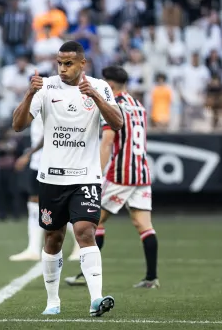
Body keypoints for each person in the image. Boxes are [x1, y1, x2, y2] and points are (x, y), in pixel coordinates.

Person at [12, 41, 123, 316]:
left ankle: (96, 300)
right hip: (51, 179)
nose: (62, 68)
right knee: (53, 239)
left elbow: (118, 123)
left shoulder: (100, 86)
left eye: (69, 63)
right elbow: (17, 125)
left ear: (82, 63)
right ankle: (53, 301)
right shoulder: (46, 87)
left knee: (85, 232)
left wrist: (95, 96)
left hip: (85, 177)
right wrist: (29, 93)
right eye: (59, 63)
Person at [65, 66, 159, 289]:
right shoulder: (138, 106)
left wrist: (95, 174)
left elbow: (107, 142)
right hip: (141, 172)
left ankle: (86, 274)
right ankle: (151, 277)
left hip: (120, 174)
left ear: (110, 84)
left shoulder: (112, 106)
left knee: (91, 221)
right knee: (144, 226)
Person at [10, 114, 80, 262]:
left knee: (60, 206)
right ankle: (33, 248)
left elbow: (50, 133)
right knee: (34, 202)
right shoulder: (37, 101)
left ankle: (80, 245)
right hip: (39, 163)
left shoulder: (49, 100)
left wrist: (28, 154)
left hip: (51, 162)